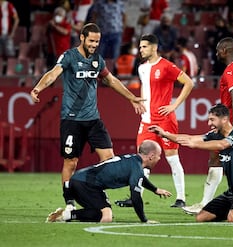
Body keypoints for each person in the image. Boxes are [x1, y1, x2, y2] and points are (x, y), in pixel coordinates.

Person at [30, 23, 146, 210]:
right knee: (71, 161)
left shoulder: (97, 60)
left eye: (97, 41)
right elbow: (53, 74)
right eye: (91, 40)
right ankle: (69, 202)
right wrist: (38, 88)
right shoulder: (69, 56)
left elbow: (111, 80)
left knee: (109, 159)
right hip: (71, 119)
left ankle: (98, 193)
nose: (94, 44)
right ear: (82, 38)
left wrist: (131, 98)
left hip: (93, 119)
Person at [149, 104, 233, 223]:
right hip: (232, 192)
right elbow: (190, 138)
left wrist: (195, 145)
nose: (209, 123)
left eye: (212, 120)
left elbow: (222, 145)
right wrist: (165, 134)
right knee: (202, 217)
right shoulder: (215, 134)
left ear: (224, 119)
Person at [182, 37, 233, 215]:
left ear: (226, 50)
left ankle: (207, 203)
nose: (217, 53)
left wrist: (232, 128)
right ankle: (208, 203)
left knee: (225, 161)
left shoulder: (230, 71)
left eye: (219, 50)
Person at [115, 34, 194, 208]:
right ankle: (135, 197)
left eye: (144, 47)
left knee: (172, 158)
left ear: (154, 47)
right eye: (140, 47)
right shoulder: (142, 68)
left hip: (165, 120)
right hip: (147, 120)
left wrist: (174, 106)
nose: (141, 50)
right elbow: (145, 87)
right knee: (141, 160)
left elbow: (188, 82)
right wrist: (140, 102)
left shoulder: (166, 66)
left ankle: (181, 198)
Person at [46, 140, 172, 223]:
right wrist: (144, 220)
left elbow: (140, 179)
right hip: (87, 184)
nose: (159, 159)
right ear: (151, 156)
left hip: (77, 181)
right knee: (106, 217)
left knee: (98, 213)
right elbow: (136, 197)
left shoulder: (132, 160)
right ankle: (67, 216)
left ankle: (68, 213)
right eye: (158, 156)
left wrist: (155, 190)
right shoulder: (137, 169)